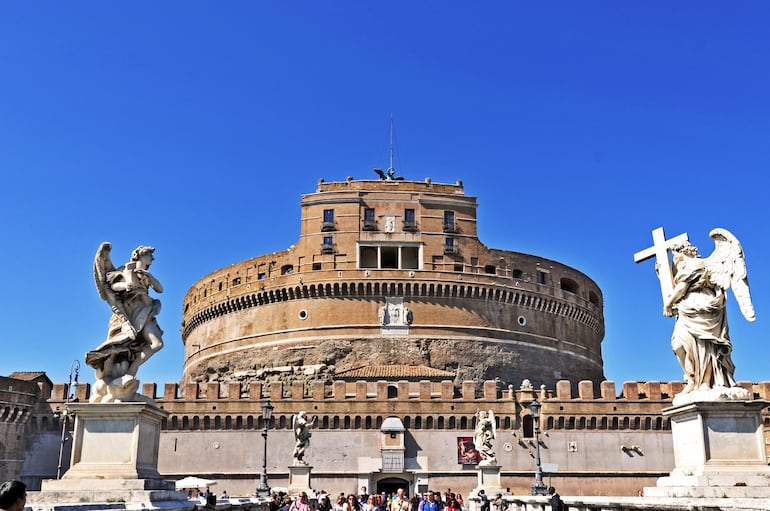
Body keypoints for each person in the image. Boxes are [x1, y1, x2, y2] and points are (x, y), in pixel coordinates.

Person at [88, 243, 165, 403]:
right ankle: (118, 377)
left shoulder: (145, 274)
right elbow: (112, 286)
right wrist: (125, 284)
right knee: (121, 346)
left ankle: (132, 369)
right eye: (150, 255)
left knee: (157, 344)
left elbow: (160, 289)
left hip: (146, 311)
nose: (152, 258)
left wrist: (147, 276)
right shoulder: (124, 269)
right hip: (131, 313)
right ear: (140, 255)